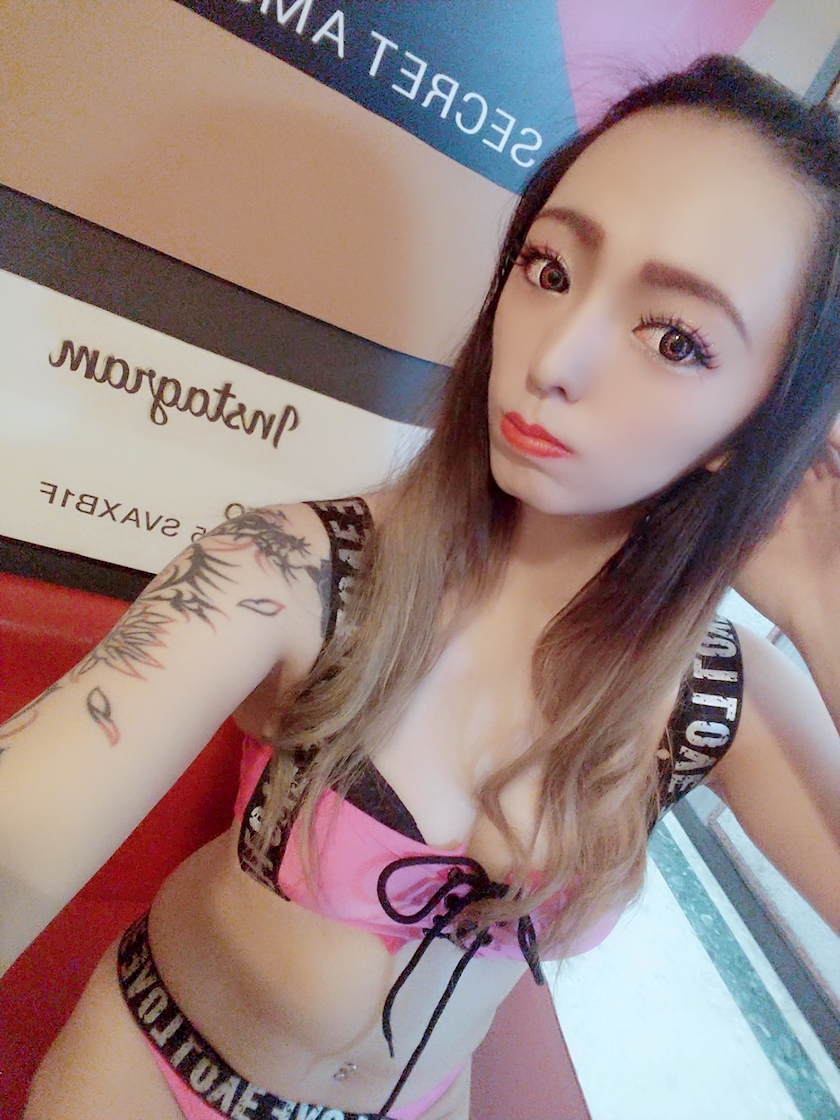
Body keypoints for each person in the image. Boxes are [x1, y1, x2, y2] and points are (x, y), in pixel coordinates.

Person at [4, 54, 840, 1120]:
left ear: (761, 423)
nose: (556, 358)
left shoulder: (716, 697)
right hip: (156, 1073)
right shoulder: (298, 572)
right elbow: (22, 835)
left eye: (675, 338)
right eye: (550, 268)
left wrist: (822, 606)